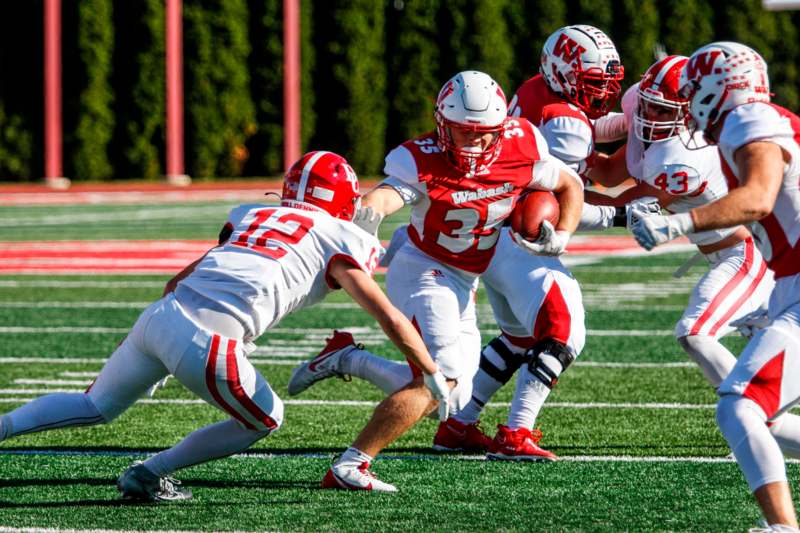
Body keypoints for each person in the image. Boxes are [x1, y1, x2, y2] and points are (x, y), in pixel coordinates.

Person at [0, 151, 449, 500]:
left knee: (95, 405)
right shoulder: (340, 236)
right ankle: (150, 473)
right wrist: (429, 371)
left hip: (162, 315)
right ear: (343, 201)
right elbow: (387, 315)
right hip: (208, 337)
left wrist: (145, 345)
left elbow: (179, 279)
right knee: (266, 418)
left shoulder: (249, 215)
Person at [291, 70, 583, 477]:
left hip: (465, 278)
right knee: (442, 377)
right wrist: (369, 219)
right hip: (423, 268)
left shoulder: (521, 144)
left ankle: (347, 358)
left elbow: (569, 184)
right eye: (465, 132)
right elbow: (389, 194)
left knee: (455, 397)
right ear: (443, 125)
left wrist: (563, 234)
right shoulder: (421, 157)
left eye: (485, 133)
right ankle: (354, 461)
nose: (477, 141)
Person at [630, 42, 800, 531]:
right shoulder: (766, 119)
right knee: (758, 418)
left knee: (740, 406)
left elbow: (758, 199)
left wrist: (678, 224)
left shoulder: (750, 120)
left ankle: (783, 528)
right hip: (788, 283)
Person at [433, 24, 622, 460]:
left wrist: (631, 122)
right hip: (520, 235)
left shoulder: (537, 89)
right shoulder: (567, 122)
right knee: (564, 332)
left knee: (518, 338)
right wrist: (623, 214)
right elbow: (561, 200)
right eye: (593, 82)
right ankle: (517, 431)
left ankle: (459, 425)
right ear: (562, 72)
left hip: (491, 234)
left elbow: (588, 129)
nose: (603, 91)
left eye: (608, 83)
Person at [585, 55, 779, 397]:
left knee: (695, 332)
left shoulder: (683, 156)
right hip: (730, 254)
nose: (649, 114)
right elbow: (609, 172)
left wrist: (561, 191)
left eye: (662, 110)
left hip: (748, 256)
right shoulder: (647, 112)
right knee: (770, 349)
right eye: (647, 103)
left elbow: (626, 204)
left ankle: (752, 410)